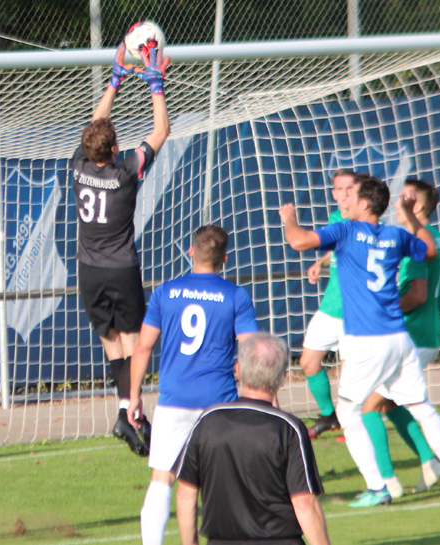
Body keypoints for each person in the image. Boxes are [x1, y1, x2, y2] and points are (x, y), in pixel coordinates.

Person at [279, 173, 440, 507]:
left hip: (367, 339)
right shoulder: (396, 235)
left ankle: (378, 487)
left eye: (352, 196)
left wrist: (289, 220)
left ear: (364, 203)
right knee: (421, 407)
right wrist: (411, 215)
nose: (346, 202)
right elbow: (427, 249)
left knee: (349, 411)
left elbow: (298, 241)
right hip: (399, 339)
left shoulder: (345, 230)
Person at [127, 224, 258, 545]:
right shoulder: (235, 296)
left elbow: (142, 347)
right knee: (220, 481)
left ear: (190, 252)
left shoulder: (165, 292)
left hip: (174, 400)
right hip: (220, 403)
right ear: (225, 258)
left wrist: (133, 397)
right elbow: (252, 351)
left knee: (162, 478)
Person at [71, 40, 170, 455]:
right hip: (121, 268)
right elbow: (161, 131)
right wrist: (154, 83)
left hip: (88, 270)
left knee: (111, 341)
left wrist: (114, 80)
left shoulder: (76, 165)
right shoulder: (127, 172)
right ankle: (134, 415)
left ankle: (124, 412)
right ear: (114, 149)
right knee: (134, 343)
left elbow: (96, 124)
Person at [175, 333, 330, 545]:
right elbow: (304, 503)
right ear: (283, 377)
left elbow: (186, 495)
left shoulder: (207, 421)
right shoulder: (288, 429)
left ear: (238, 369)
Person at [361, 179, 440, 498]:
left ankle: (386, 483)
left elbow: (416, 295)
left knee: (368, 406)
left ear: (416, 205)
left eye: (403, 197)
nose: (396, 203)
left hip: (412, 337)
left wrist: (383, 308)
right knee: (391, 402)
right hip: (429, 333)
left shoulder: (417, 241)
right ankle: (432, 463)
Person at [301, 169, 355, 438]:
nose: (345, 194)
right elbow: (337, 247)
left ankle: (350, 424)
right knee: (308, 361)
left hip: (353, 312)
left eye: (350, 188)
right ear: (333, 194)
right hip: (329, 306)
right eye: (340, 189)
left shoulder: (364, 223)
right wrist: (320, 262)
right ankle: (328, 415)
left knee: (348, 373)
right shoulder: (336, 218)